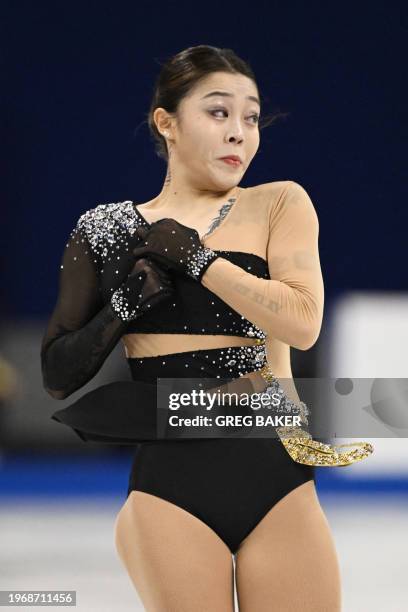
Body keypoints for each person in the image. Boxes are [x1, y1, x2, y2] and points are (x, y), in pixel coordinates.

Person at [41, 45, 342, 611]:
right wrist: (123, 309)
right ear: (167, 122)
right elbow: (57, 373)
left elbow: (302, 324)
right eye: (218, 112)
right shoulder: (106, 228)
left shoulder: (279, 203)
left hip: (273, 471)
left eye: (251, 117)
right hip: (172, 486)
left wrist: (201, 262)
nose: (239, 133)